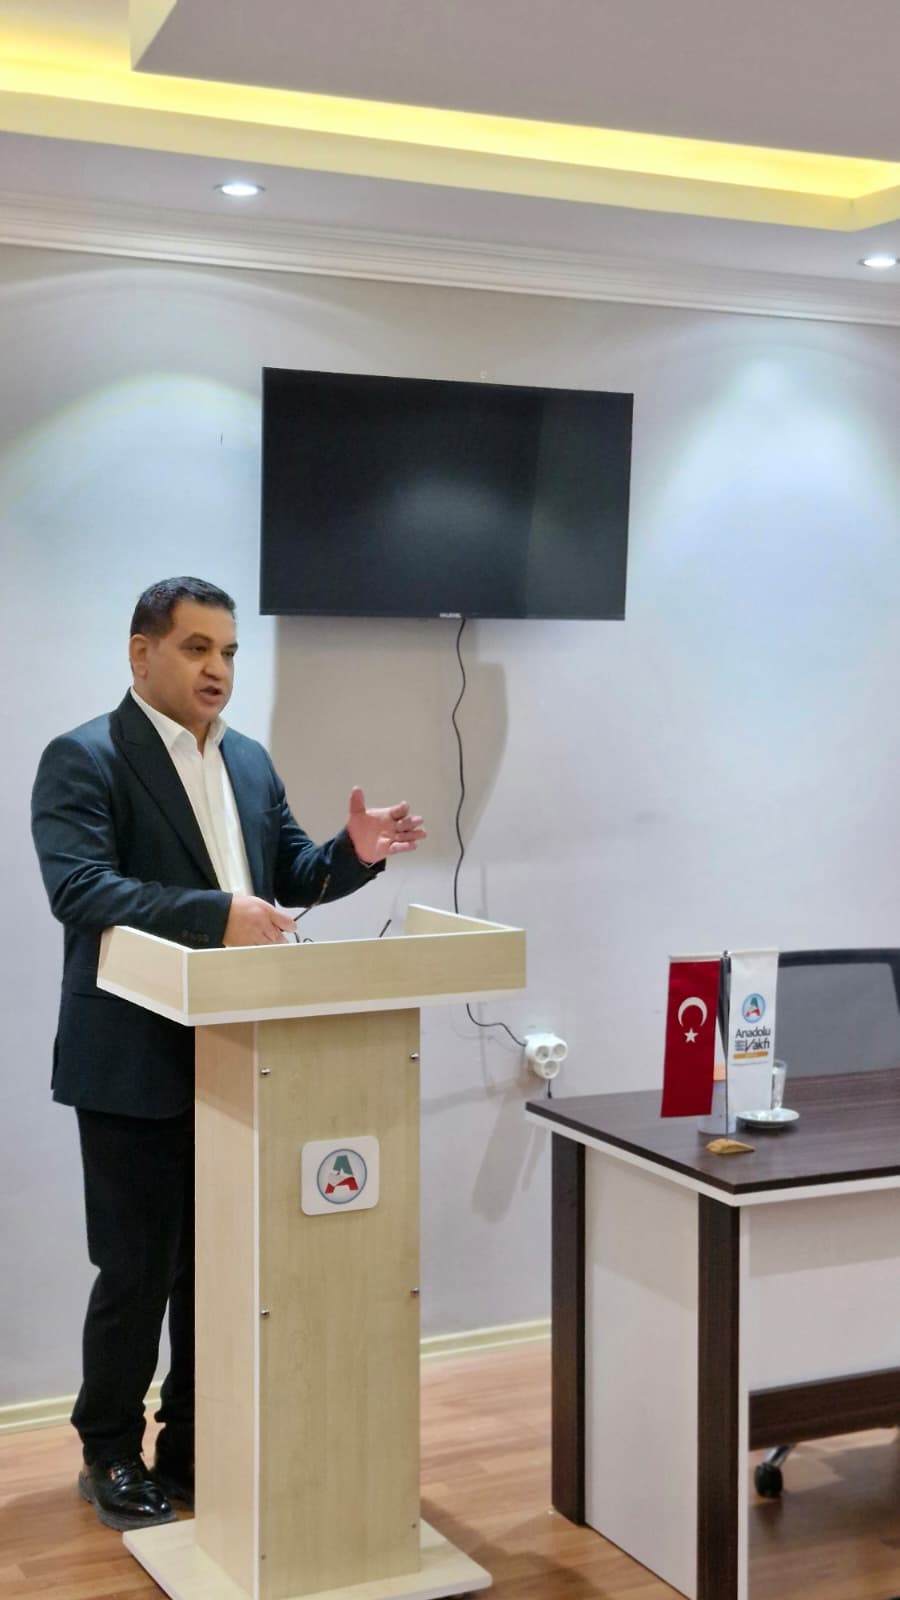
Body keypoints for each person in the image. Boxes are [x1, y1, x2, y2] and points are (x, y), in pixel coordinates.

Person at [30, 576, 425, 1532]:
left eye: (231, 652)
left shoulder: (246, 759)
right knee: (137, 1270)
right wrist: (216, 916)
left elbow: (288, 875)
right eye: (198, 648)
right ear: (142, 654)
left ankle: (193, 1442)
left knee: (217, 1267)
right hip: (132, 1058)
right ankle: (109, 1450)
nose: (219, 669)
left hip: (243, 1053)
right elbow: (81, 890)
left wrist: (354, 853)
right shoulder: (86, 757)